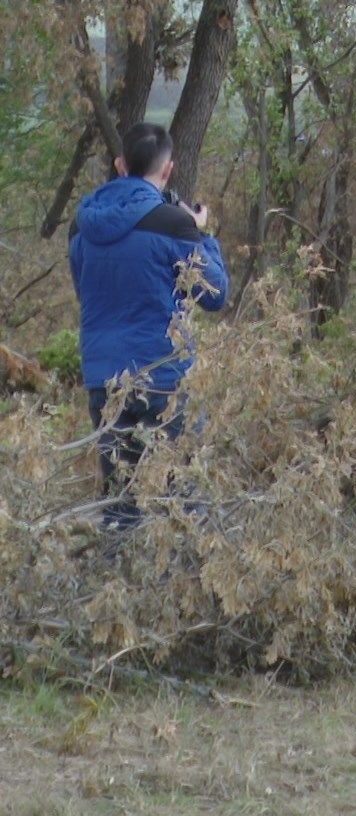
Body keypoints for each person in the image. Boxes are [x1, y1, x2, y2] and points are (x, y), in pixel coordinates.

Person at [68, 122, 229, 529]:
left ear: (120, 165)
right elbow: (216, 295)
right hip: (165, 377)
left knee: (122, 502)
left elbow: (85, 294)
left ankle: (118, 583)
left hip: (104, 378)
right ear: (169, 170)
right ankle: (177, 587)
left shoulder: (81, 226)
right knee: (183, 499)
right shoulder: (173, 223)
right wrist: (202, 233)